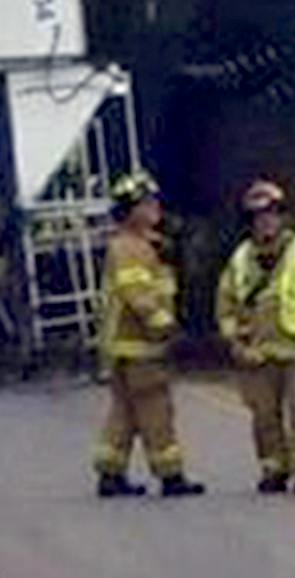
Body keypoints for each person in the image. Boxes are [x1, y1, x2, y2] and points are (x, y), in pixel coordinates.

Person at [216, 179, 295, 495]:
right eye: (259, 216)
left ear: (283, 216)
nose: (266, 221)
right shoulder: (241, 259)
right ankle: (273, 469)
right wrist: (236, 343)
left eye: (272, 214)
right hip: (258, 354)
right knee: (264, 416)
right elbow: (225, 305)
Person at [93, 169, 206, 499]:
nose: (156, 207)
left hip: (125, 348)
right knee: (156, 411)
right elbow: (138, 296)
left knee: (125, 412)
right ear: (132, 210)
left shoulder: (142, 246)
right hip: (141, 348)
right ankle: (171, 476)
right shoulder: (131, 248)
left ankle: (110, 474)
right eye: (148, 202)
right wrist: (165, 328)